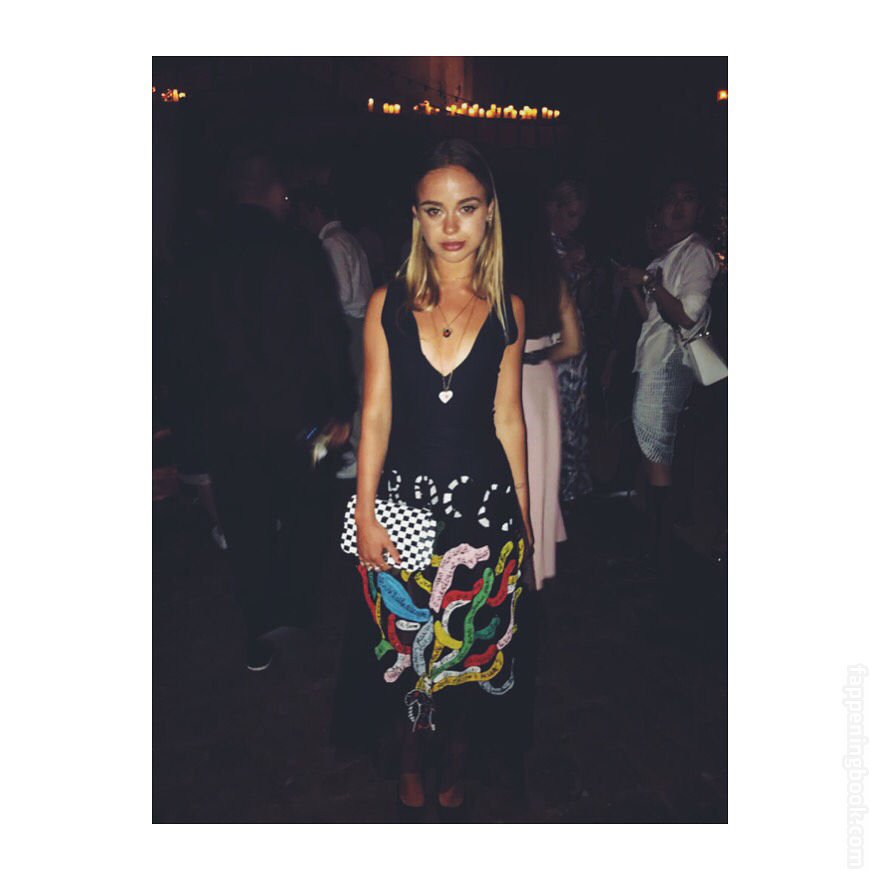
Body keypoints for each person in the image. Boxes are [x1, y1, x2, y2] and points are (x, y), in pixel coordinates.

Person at [339, 139, 532, 821]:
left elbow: (508, 417)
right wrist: (364, 513)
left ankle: (456, 759)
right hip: (404, 513)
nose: (451, 226)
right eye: (434, 210)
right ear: (416, 218)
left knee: (472, 654)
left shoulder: (508, 308)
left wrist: (525, 519)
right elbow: (375, 414)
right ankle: (410, 757)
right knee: (404, 652)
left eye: (466, 208)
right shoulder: (387, 305)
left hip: (485, 516)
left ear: (489, 214)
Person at [172, 156, 356, 671]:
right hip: (303, 423)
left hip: (228, 421)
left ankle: (260, 627)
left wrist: (191, 417)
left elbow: (183, 345)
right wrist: (341, 406)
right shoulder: (298, 248)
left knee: (245, 524)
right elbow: (327, 335)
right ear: (273, 191)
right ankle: (295, 614)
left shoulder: (198, 255)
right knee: (306, 511)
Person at [617, 175, 719, 571]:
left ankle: (657, 549)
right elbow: (650, 317)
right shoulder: (665, 256)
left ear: (699, 208)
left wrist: (646, 281)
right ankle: (655, 540)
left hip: (670, 362)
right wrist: (634, 285)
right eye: (671, 199)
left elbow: (688, 315)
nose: (677, 207)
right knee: (652, 447)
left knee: (657, 449)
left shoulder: (698, 253)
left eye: (687, 198)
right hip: (653, 357)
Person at [504, 197, 583, 589]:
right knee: (537, 472)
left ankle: (507, 565)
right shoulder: (552, 277)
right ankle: (534, 562)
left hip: (505, 380)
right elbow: (573, 344)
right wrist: (540, 356)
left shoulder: (494, 278)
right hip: (540, 383)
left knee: (511, 473)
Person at [297, 185, 373, 480]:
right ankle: (356, 452)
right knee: (360, 390)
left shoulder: (332, 243)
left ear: (316, 211)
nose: (303, 219)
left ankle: (359, 456)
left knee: (355, 393)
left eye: (305, 212)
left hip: (351, 323)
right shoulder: (347, 238)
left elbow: (340, 293)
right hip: (361, 321)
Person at [545, 179, 593, 503]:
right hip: (551, 340)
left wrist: (584, 278)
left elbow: (582, 303)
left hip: (576, 339)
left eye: (580, 216)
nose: (575, 223)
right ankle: (554, 491)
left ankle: (572, 489)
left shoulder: (571, 245)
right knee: (555, 415)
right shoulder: (538, 248)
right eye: (571, 214)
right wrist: (563, 266)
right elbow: (536, 294)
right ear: (553, 208)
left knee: (575, 415)